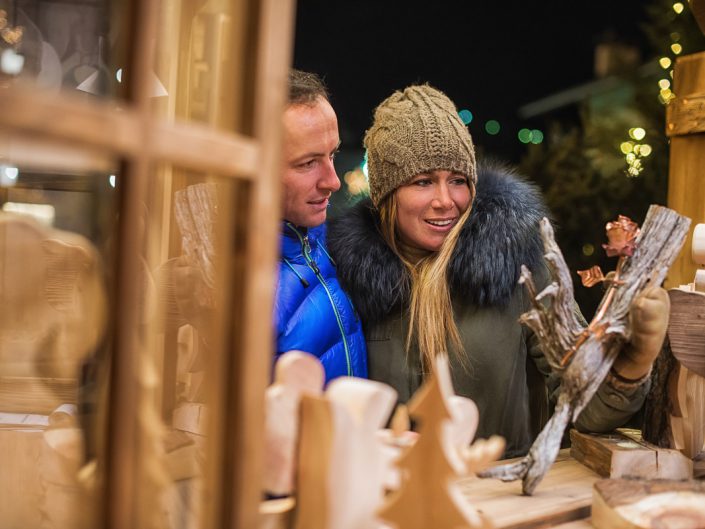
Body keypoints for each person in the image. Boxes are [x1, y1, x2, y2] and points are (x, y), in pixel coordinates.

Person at [327, 84, 668, 457]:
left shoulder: (520, 270)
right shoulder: (347, 283)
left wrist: (630, 367)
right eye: (423, 181)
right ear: (387, 194)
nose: (445, 201)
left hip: (496, 502)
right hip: (387, 506)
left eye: (457, 180)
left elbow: (582, 405)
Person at [274, 69, 367, 382]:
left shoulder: (334, 243)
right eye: (307, 163)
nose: (334, 181)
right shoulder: (229, 278)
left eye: (333, 154)